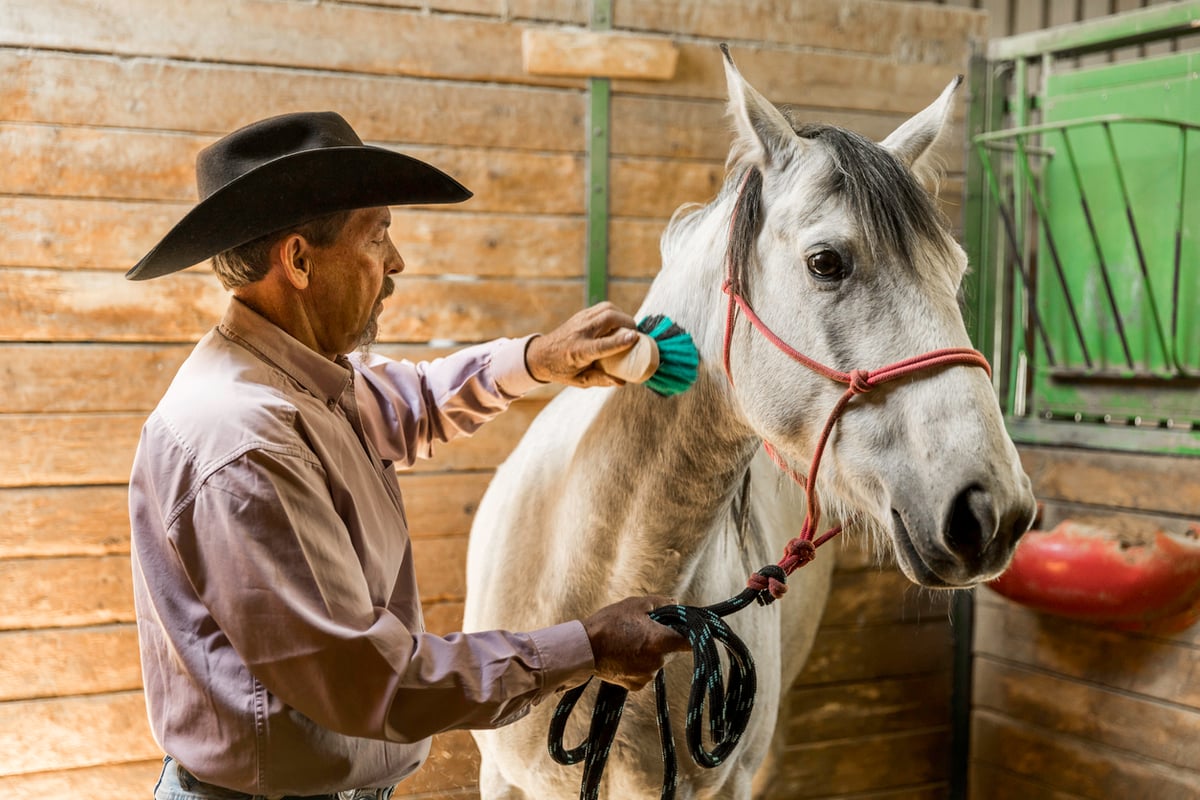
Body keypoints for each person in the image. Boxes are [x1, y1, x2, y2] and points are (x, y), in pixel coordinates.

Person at [126, 111, 688, 800]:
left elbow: (411, 398)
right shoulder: (245, 444)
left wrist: (538, 359)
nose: (396, 263)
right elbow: (371, 680)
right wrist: (586, 647)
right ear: (299, 260)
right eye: (378, 236)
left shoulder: (304, 376)